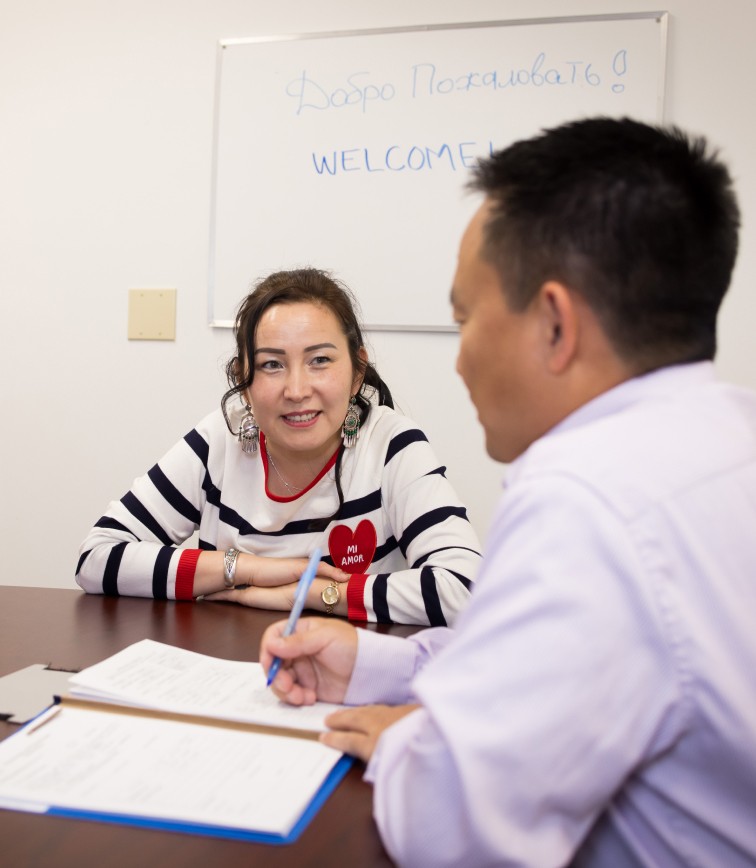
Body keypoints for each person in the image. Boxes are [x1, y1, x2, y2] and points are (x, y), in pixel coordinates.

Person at [260, 117, 756, 867]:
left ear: (554, 324)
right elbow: (535, 660)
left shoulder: (588, 500)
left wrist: (412, 745)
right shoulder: (724, 439)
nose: (459, 361)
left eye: (464, 319)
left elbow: (453, 831)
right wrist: (375, 662)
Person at [76, 268, 481, 626]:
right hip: (223, 673)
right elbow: (97, 557)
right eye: (272, 364)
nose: (297, 390)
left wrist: (311, 595)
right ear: (244, 379)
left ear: (357, 371)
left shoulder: (392, 445)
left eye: (320, 360)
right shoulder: (221, 439)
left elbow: (465, 588)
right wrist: (245, 568)